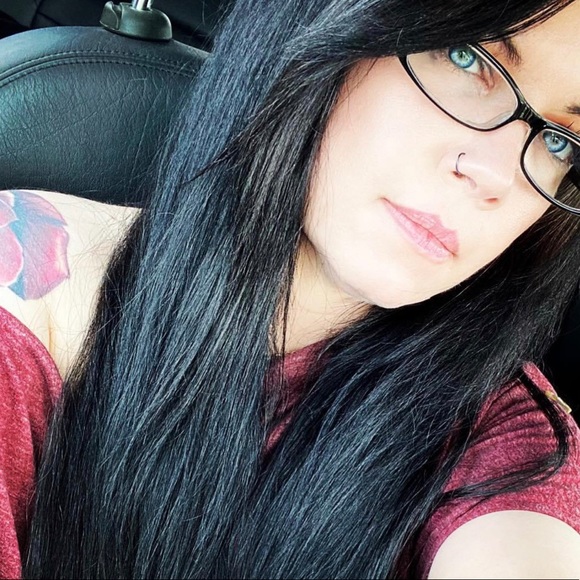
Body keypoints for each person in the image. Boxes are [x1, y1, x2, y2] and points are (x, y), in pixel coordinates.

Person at [0, 0, 579, 577]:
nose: (497, 176)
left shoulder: (509, 434)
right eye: (465, 56)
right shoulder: (30, 282)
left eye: (563, 143)